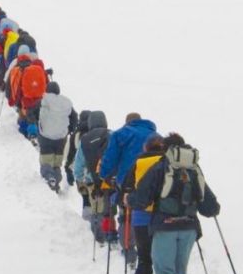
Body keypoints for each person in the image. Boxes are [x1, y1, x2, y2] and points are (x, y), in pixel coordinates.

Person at [128, 133, 220, 274]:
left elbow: (142, 198)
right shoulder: (194, 169)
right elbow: (208, 205)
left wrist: (129, 199)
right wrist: (214, 209)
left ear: (166, 148)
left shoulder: (161, 166)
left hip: (165, 226)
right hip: (189, 227)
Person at [99, 112, 158, 258]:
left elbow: (110, 157)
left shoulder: (120, 134)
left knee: (127, 214)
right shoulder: (156, 136)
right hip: (154, 182)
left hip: (127, 181)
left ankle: (129, 248)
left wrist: (105, 174)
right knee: (150, 213)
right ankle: (151, 247)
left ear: (127, 122)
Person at [122, 134, 166, 274]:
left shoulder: (138, 162)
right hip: (163, 217)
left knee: (144, 257)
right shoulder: (167, 163)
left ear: (146, 147)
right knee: (161, 259)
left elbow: (126, 187)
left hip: (141, 217)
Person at [26, 82, 76, 192]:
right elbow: (74, 118)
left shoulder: (43, 100)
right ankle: (56, 182)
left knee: (46, 160)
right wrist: (69, 130)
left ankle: (50, 177)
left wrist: (36, 121)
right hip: (61, 138)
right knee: (57, 163)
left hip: (45, 137)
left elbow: (29, 112)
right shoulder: (65, 103)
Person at [74, 111, 113, 243]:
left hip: (93, 181)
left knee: (97, 210)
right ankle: (111, 233)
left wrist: (81, 179)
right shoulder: (112, 135)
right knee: (110, 209)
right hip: (111, 179)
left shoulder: (84, 139)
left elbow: (78, 165)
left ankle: (100, 237)